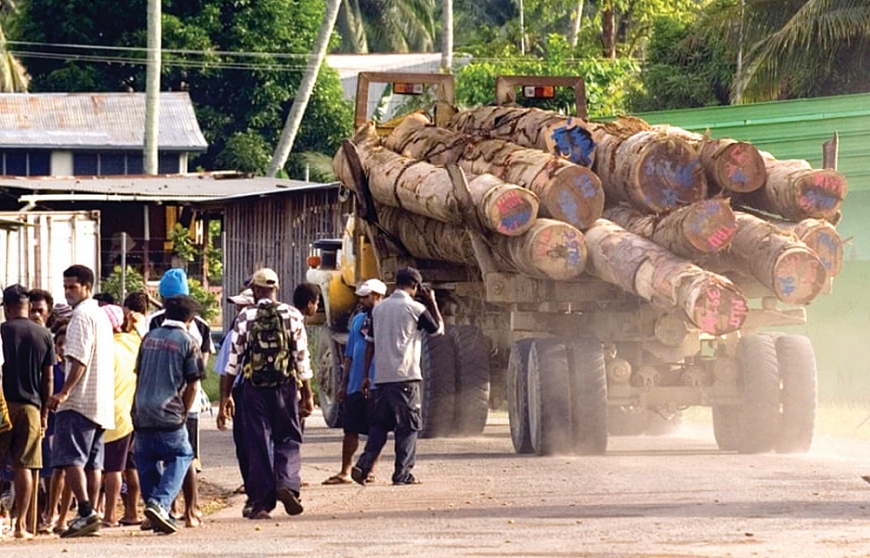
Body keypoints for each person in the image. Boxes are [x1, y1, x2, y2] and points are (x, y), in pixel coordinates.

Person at [219, 268, 314, 520]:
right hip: (285, 386)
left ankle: (261, 504)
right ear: (277, 288)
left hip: (254, 387)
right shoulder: (293, 315)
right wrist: (307, 394)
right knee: (289, 437)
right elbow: (301, 357)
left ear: (255, 290)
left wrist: (225, 397)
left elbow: (232, 362)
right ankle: (287, 482)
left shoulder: (245, 317)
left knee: (258, 442)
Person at [352, 267, 443, 487]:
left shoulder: (379, 309)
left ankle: (363, 466)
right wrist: (432, 302)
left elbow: (370, 345)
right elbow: (438, 330)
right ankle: (402, 474)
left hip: (381, 378)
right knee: (408, 427)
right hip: (405, 377)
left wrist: (366, 375)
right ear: (415, 286)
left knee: (380, 426)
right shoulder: (415, 308)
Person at [46, 264, 116, 538]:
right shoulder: (101, 316)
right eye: (65, 287)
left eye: (72, 287)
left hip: (79, 400)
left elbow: (78, 359)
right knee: (93, 462)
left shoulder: (81, 317)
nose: (67, 292)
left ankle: (86, 511)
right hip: (100, 402)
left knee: (69, 457)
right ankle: (92, 513)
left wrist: (64, 392)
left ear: (87, 287)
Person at [147, 268, 214, 528]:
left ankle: (170, 508)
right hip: (189, 401)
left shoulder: (154, 322)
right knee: (187, 457)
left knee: (166, 456)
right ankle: (192, 510)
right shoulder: (201, 325)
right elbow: (201, 369)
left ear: (163, 299)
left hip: (160, 400)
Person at [132, 295, 204, 535]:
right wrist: (183, 411)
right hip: (168, 410)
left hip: (141, 410)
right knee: (182, 455)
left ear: (164, 314)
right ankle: (160, 503)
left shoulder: (148, 338)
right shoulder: (188, 341)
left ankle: (160, 514)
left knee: (146, 459)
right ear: (190, 319)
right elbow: (193, 384)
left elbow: (139, 373)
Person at [0, 285, 55, 539]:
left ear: (8, 308)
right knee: (26, 465)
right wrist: (44, 413)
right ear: (28, 306)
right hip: (32, 406)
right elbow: (48, 379)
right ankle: (21, 526)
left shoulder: (3, 332)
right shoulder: (44, 335)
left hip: (3, 405)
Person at [322, 279, 386, 486]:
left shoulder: (385, 319)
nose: (361, 300)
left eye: (366, 296)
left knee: (376, 428)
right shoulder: (358, 319)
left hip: (377, 382)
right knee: (350, 429)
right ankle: (345, 471)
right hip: (355, 384)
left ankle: (370, 470)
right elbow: (349, 354)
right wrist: (343, 383)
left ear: (378, 296)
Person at [214, 286, 255, 517]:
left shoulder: (235, 333)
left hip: (242, 392)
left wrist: (224, 399)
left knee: (245, 444)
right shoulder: (283, 322)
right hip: (274, 392)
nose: (238, 310)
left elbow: (225, 370)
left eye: (242, 306)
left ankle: (253, 491)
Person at [100, 304, 141, 528]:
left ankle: (109, 515)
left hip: (111, 415)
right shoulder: (133, 343)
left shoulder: (107, 349)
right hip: (131, 413)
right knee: (131, 467)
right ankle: (132, 512)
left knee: (112, 469)